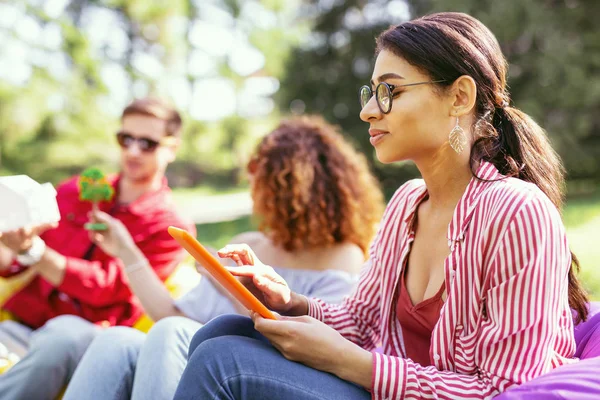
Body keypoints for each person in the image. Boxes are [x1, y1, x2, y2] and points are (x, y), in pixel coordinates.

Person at [173, 12, 590, 400]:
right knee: (223, 331)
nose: (368, 110)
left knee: (222, 364)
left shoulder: (517, 212)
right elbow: (363, 322)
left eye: (389, 91)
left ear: (459, 96)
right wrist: (289, 302)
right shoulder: (408, 202)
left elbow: (508, 387)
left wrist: (351, 363)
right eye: (371, 93)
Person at [62, 115, 385, 400]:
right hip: (189, 353)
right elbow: (170, 312)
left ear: (290, 188)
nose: (251, 185)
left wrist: (232, 287)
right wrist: (125, 250)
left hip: (253, 370)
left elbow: (302, 346)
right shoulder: (249, 243)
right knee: (116, 341)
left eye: (259, 175)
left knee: (171, 331)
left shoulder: (343, 256)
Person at [0, 97, 194, 400]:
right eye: (125, 138)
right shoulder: (76, 191)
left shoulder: (169, 225)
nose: (132, 151)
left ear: (172, 148)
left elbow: (107, 287)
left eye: (148, 143)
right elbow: (15, 261)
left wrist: (34, 252)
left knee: (62, 335)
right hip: (25, 321)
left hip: (91, 337)